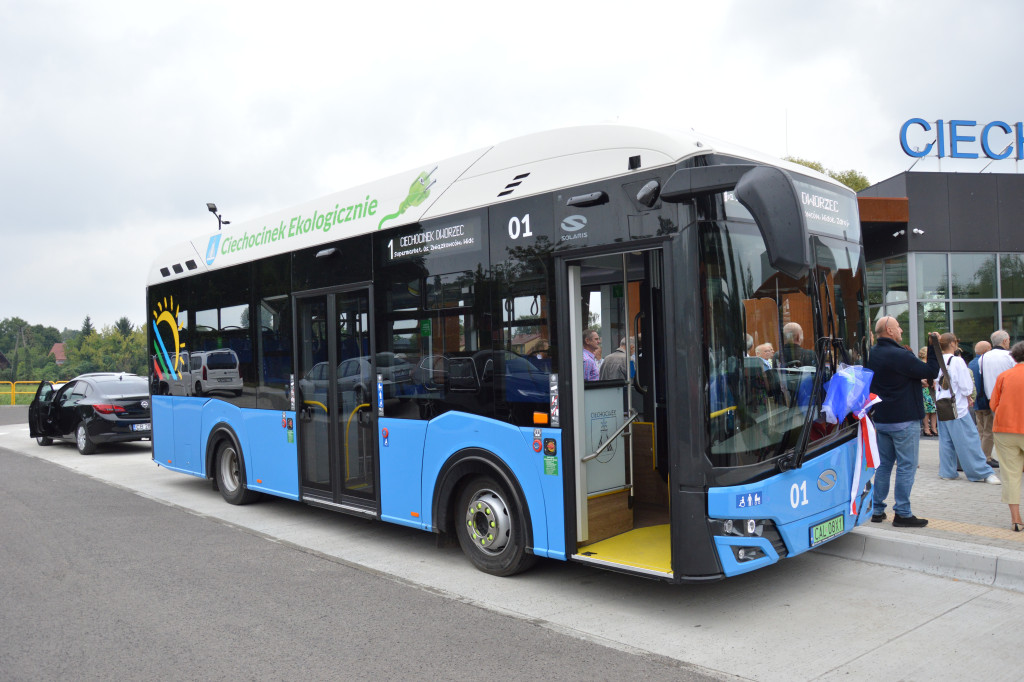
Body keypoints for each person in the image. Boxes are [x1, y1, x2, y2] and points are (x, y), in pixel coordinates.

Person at [866, 317, 940, 527]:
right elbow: (931, 371)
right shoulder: (900, 354)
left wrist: (914, 380)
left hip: (881, 418)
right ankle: (903, 513)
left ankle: (877, 509)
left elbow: (893, 378)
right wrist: (933, 347)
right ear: (889, 330)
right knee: (906, 466)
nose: (900, 330)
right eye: (898, 327)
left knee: (884, 466)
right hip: (904, 419)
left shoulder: (873, 353)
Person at [934, 333, 1000, 485]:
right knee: (969, 439)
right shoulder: (957, 361)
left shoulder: (937, 359)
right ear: (952, 343)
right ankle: (982, 472)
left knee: (946, 440)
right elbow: (965, 386)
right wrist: (969, 394)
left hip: (942, 403)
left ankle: (947, 471)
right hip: (957, 406)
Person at [988, 340, 1024, 532]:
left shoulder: (1004, 376)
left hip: (1004, 429)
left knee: (1010, 475)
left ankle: (1016, 520)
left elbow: (994, 404)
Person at [968, 339, 996, 467]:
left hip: (976, 403)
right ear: (987, 350)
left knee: (980, 430)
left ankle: (979, 455)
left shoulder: (971, 363)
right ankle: (986, 457)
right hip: (984, 401)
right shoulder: (984, 363)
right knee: (988, 431)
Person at [918, 346, 937, 437]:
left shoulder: (930, 364)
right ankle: (926, 428)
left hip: (932, 389)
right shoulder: (920, 364)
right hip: (925, 389)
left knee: (934, 410)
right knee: (927, 410)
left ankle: (933, 428)